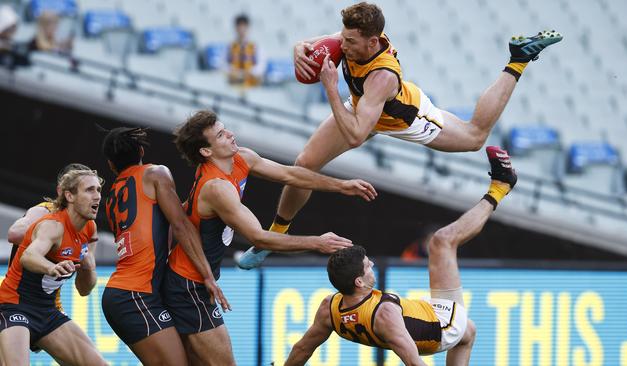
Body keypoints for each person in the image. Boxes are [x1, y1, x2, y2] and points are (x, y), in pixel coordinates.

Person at [237, 1, 561, 268]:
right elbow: (312, 43)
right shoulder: (355, 37)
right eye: (343, 38)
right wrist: (299, 49)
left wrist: (331, 89)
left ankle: (518, 60)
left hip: (404, 116)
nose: (343, 46)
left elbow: (355, 135)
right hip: (363, 107)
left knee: (475, 136)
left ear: (372, 42)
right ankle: (274, 238)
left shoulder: (382, 76)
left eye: (349, 42)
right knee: (304, 162)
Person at [163, 109, 376, 365]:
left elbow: (291, 175)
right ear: (206, 152)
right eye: (220, 134)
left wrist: (341, 185)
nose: (230, 134)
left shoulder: (242, 157)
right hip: (187, 286)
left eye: (225, 128)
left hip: (196, 282)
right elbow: (259, 239)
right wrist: (317, 242)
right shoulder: (216, 188)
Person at [285, 146, 517, 366]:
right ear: (359, 282)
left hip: (425, 318)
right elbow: (414, 362)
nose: (372, 263)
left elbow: (302, 349)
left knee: (469, 331)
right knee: (442, 241)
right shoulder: (384, 314)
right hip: (443, 327)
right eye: (367, 266)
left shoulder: (330, 308)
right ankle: (500, 187)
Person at [100, 127, 225, 366]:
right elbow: (179, 225)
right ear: (141, 150)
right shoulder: (155, 173)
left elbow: (159, 222)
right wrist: (207, 275)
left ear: (111, 164)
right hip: (135, 295)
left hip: (130, 292)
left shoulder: (113, 194)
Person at [0, 169, 107, 366]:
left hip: (47, 311)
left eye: (99, 190)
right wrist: (51, 268)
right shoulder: (52, 225)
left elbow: (84, 290)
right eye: (90, 190)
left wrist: (88, 268)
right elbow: (28, 256)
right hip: (14, 306)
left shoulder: (89, 228)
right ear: (69, 196)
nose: (98, 196)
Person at [227, 13, 264, 87]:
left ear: (248, 28)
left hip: (251, 83)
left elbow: (261, 66)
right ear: (235, 28)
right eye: (239, 26)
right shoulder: (229, 46)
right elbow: (223, 64)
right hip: (234, 83)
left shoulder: (255, 46)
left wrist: (248, 73)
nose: (241, 29)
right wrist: (234, 72)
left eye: (244, 26)